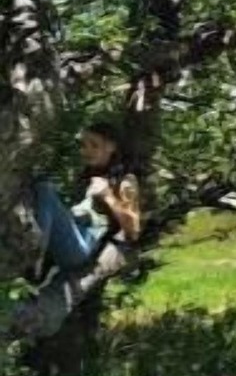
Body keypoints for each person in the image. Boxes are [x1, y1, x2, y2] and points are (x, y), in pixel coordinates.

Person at [12, 121, 142, 339]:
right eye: (84, 145)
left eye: (94, 145)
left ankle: (33, 258)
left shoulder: (125, 179)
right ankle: (34, 256)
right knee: (38, 187)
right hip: (73, 238)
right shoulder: (88, 175)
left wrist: (108, 196)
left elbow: (134, 229)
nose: (86, 151)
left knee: (44, 187)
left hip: (83, 247)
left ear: (111, 147)